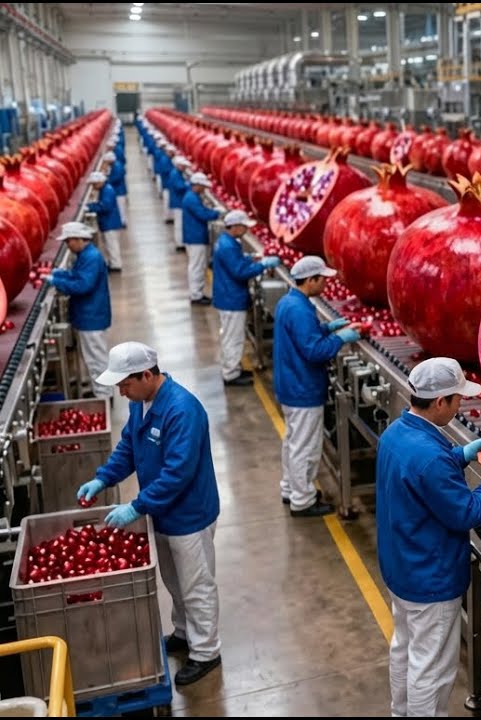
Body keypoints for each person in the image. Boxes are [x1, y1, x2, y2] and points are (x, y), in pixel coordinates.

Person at [377, 357, 481, 717]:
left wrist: (459, 455)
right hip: (430, 577)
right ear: (441, 402)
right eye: (458, 398)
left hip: (400, 567)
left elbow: (421, 476)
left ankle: (400, 712)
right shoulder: (430, 456)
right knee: (432, 670)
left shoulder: (397, 433)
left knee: (404, 648)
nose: (462, 404)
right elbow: (465, 513)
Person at [76, 342, 223, 687]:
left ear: (147, 374)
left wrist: (136, 506)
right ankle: (185, 633)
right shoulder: (141, 404)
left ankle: (206, 652)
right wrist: (103, 477)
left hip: (189, 514)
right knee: (173, 580)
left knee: (196, 584)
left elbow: (177, 474)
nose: (122, 391)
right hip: (163, 511)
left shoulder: (182, 410)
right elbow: (129, 446)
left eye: (125, 384)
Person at [273, 256, 362, 516]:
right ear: (310, 280)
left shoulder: (290, 301)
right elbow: (313, 351)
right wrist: (341, 339)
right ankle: (303, 501)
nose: (326, 283)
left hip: (290, 386)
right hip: (303, 388)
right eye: (322, 279)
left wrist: (327, 328)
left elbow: (305, 336)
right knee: (306, 447)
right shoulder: (299, 309)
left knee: (292, 441)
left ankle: (291, 489)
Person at [212, 209, 280, 386]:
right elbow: (240, 272)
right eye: (243, 226)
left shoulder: (227, 241)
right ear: (234, 226)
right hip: (231, 299)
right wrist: (263, 265)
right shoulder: (228, 245)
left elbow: (237, 261)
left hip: (228, 296)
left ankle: (232, 368)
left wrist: (251, 258)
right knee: (233, 338)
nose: (246, 230)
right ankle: (231, 374)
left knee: (231, 336)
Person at [45, 222, 112, 398]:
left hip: (92, 317)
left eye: (68, 241)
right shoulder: (85, 255)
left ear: (78, 239)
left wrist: (56, 282)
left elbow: (83, 285)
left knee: (96, 359)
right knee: (92, 358)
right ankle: (101, 391)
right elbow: (78, 275)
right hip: (88, 316)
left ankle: (104, 395)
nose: (67, 245)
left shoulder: (91, 257)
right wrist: (58, 274)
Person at [182, 173, 221, 305]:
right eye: (203, 186)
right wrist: (218, 213)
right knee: (196, 267)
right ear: (197, 185)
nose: (204, 189)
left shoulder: (192, 196)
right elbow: (202, 214)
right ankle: (196, 295)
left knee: (197, 266)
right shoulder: (191, 199)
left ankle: (197, 292)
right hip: (195, 238)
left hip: (195, 236)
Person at [86, 171, 124, 272]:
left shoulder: (107, 190)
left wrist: (90, 207)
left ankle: (116, 265)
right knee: (109, 244)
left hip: (110, 223)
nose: (93, 187)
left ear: (99, 182)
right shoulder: (105, 189)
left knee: (112, 245)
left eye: (94, 184)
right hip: (108, 222)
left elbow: (105, 206)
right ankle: (113, 262)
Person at [166, 157, 191, 250]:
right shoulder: (175, 174)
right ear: (178, 165)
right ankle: (180, 244)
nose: (185, 168)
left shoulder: (176, 173)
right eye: (183, 166)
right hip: (178, 202)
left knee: (180, 223)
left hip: (178, 201)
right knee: (179, 224)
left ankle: (180, 242)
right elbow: (179, 187)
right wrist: (188, 184)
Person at [104, 149, 127, 216]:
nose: (107, 162)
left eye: (107, 161)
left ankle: (123, 221)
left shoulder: (117, 166)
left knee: (121, 207)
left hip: (119, 190)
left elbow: (116, 178)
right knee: (120, 207)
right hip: (118, 190)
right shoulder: (116, 165)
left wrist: (106, 180)